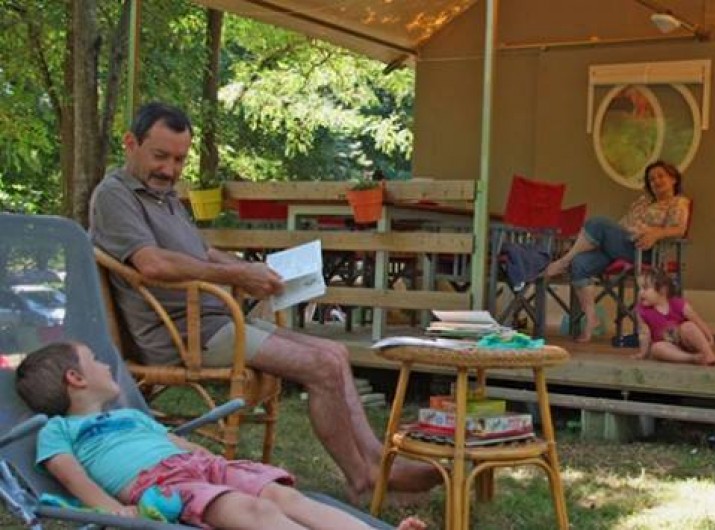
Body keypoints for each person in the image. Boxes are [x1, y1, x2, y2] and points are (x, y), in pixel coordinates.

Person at [89, 102, 438, 502]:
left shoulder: (162, 195)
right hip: (185, 335)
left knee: (336, 353)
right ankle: (362, 479)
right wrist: (238, 276)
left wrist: (258, 271)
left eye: (179, 160)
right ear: (130, 143)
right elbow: (152, 264)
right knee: (321, 367)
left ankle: (378, 461)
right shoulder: (115, 195)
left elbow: (204, 253)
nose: (170, 169)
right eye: (160, 156)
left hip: (218, 320)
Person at [15, 341, 425, 530]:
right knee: (253, 512)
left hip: (203, 467)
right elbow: (73, 477)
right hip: (165, 487)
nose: (107, 365)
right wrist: (111, 510)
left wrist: (222, 464)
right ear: (76, 378)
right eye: (95, 360)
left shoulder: (130, 416)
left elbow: (177, 442)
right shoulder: (58, 429)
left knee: (286, 498)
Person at [544, 160, 691, 342]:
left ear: (673, 179)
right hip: (622, 244)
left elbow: (679, 229)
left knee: (597, 222)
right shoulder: (643, 202)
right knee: (579, 263)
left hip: (645, 251)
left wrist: (656, 234)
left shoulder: (678, 202)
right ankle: (591, 319)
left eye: (661, 176)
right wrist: (605, 239)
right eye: (652, 179)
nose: (656, 181)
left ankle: (563, 261)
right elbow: (623, 225)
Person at [632, 269, 715, 365]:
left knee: (689, 326)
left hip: (686, 342)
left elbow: (696, 319)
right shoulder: (642, 311)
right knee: (656, 348)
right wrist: (643, 353)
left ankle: (709, 354)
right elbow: (644, 334)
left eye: (645, 288)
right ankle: (692, 358)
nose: (640, 292)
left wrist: (709, 336)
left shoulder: (678, 304)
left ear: (662, 290)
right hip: (669, 347)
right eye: (639, 289)